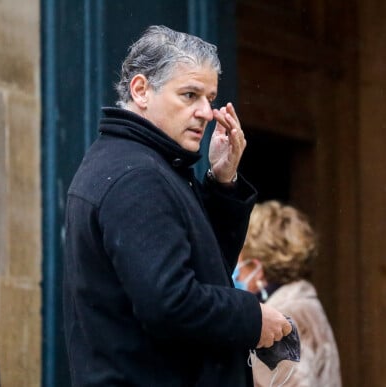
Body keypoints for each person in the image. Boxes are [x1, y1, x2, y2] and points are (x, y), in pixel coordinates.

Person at [62, 25, 293, 386]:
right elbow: (169, 302)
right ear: (141, 90)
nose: (205, 111)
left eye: (210, 98)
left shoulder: (148, 165)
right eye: (190, 95)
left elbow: (204, 271)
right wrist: (252, 319)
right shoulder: (136, 174)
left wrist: (222, 181)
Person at [236, 200, 342, 387]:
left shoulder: (279, 319)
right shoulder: (302, 302)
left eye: (239, 259)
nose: (234, 269)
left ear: (256, 267)